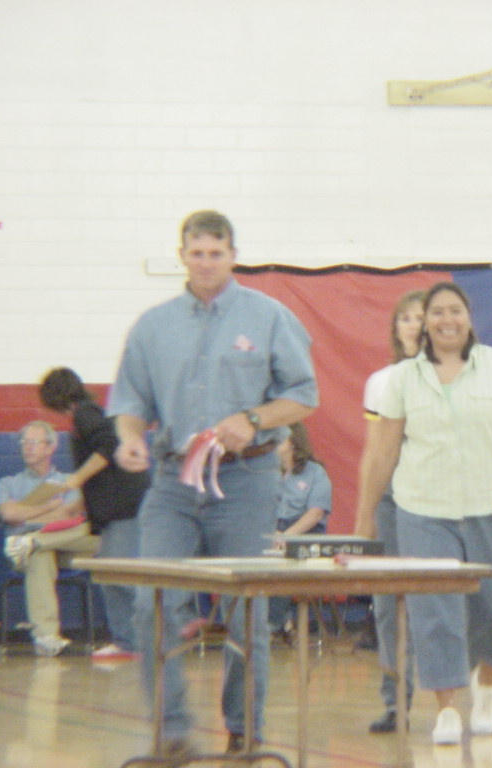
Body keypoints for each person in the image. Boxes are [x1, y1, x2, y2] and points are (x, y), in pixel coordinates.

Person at [108, 210, 318, 758]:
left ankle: (244, 728)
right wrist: (129, 438)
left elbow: (303, 395)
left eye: (216, 253)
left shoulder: (269, 317)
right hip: (173, 483)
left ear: (233, 256)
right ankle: (173, 728)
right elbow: (129, 403)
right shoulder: (153, 327)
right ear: (182, 256)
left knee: (247, 612)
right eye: (196, 253)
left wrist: (253, 418)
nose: (205, 263)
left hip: (247, 479)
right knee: (151, 605)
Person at [355, 281, 492, 746]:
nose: (447, 320)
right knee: (434, 611)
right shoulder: (403, 378)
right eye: (437, 313)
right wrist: (366, 514)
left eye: (455, 311)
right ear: (425, 323)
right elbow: (384, 451)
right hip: (423, 508)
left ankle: (486, 681)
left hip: (490, 505)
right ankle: (446, 706)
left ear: (469, 317)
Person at [39, 366, 148, 662]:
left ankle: (136, 641)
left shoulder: (85, 415)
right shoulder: (91, 413)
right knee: (112, 574)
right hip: (119, 508)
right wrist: (78, 501)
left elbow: (110, 446)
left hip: (124, 509)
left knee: (119, 575)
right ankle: (128, 641)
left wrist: (76, 479)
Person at [354, 288, 425, 734]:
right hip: (393, 499)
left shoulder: (452, 376)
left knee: (451, 600)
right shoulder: (381, 381)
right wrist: (365, 512)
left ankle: (483, 678)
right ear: (396, 328)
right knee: (388, 602)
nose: (414, 324)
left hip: (439, 499)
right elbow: (374, 451)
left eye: (421, 316)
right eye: (406, 317)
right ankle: (396, 699)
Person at [0, 420, 98, 657]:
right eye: (24, 442)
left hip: (68, 545)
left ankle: (34, 540)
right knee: (39, 555)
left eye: (34, 442)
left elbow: (69, 515)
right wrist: (49, 507)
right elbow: (9, 514)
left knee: (97, 530)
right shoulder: (8, 483)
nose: (27, 447)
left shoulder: (68, 481)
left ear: (51, 447)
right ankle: (46, 637)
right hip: (22, 553)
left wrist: (27, 515)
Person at [268, 422, 332, 640]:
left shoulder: (315, 473)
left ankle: (273, 623)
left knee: (283, 560)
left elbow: (315, 514)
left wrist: (286, 536)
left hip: (305, 532)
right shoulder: (266, 472)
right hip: (272, 529)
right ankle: (260, 622)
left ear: (294, 442)